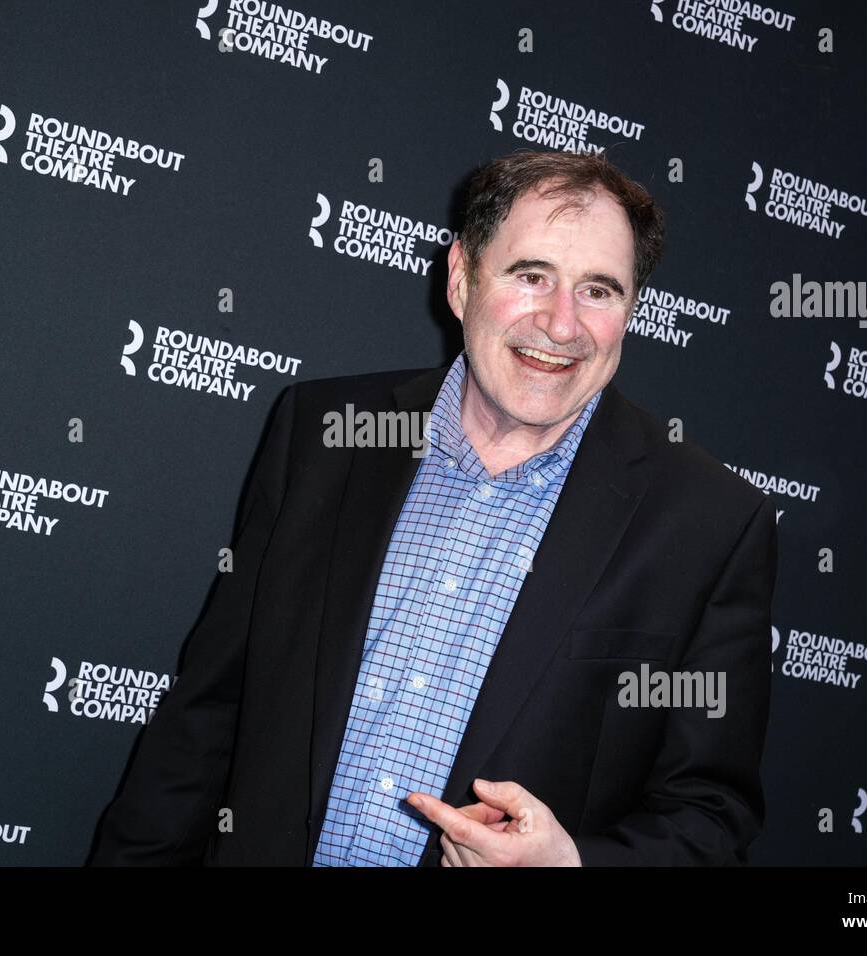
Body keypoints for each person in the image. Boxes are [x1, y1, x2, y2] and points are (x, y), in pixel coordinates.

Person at [89, 148, 777, 867]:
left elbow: (711, 815)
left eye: (599, 290)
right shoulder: (324, 434)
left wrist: (571, 866)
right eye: (531, 275)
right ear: (461, 279)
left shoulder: (709, 525)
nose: (562, 323)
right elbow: (205, 718)